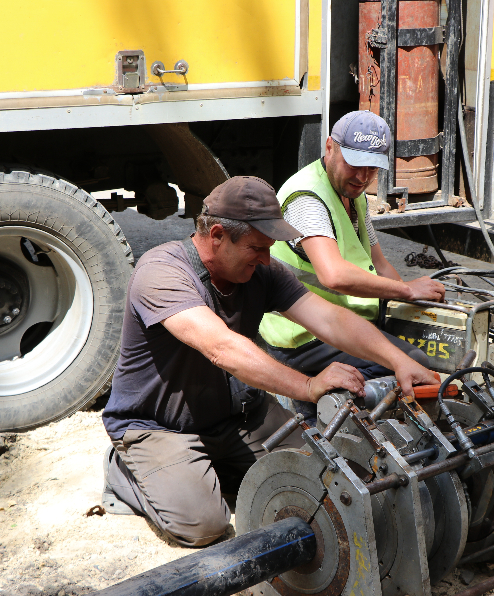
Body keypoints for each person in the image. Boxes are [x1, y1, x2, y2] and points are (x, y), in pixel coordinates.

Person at [101, 175, 439, 547]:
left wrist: (398, 359)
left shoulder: (260, 271)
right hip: (161, 425)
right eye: (256, 248)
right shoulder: (161, 272)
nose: (266, 258)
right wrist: (308, 387)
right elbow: (222, 348)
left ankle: (214, 469)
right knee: (204, 526)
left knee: (321, 480)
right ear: (216, 235)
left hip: (234, 416)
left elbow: (329, 318)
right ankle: (126, 469)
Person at [259, 110, 446, 419]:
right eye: (355, 164)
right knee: (415, 365)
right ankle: (338, 423)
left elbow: (377, 261)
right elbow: (333, 275)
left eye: (372, 168)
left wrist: (413, 308)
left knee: (421, 345)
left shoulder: (352, 192)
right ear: (330, 148)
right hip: (305, 334)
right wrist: (406, 290)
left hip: (340, 321)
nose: (362, 176)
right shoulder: (307, 197)